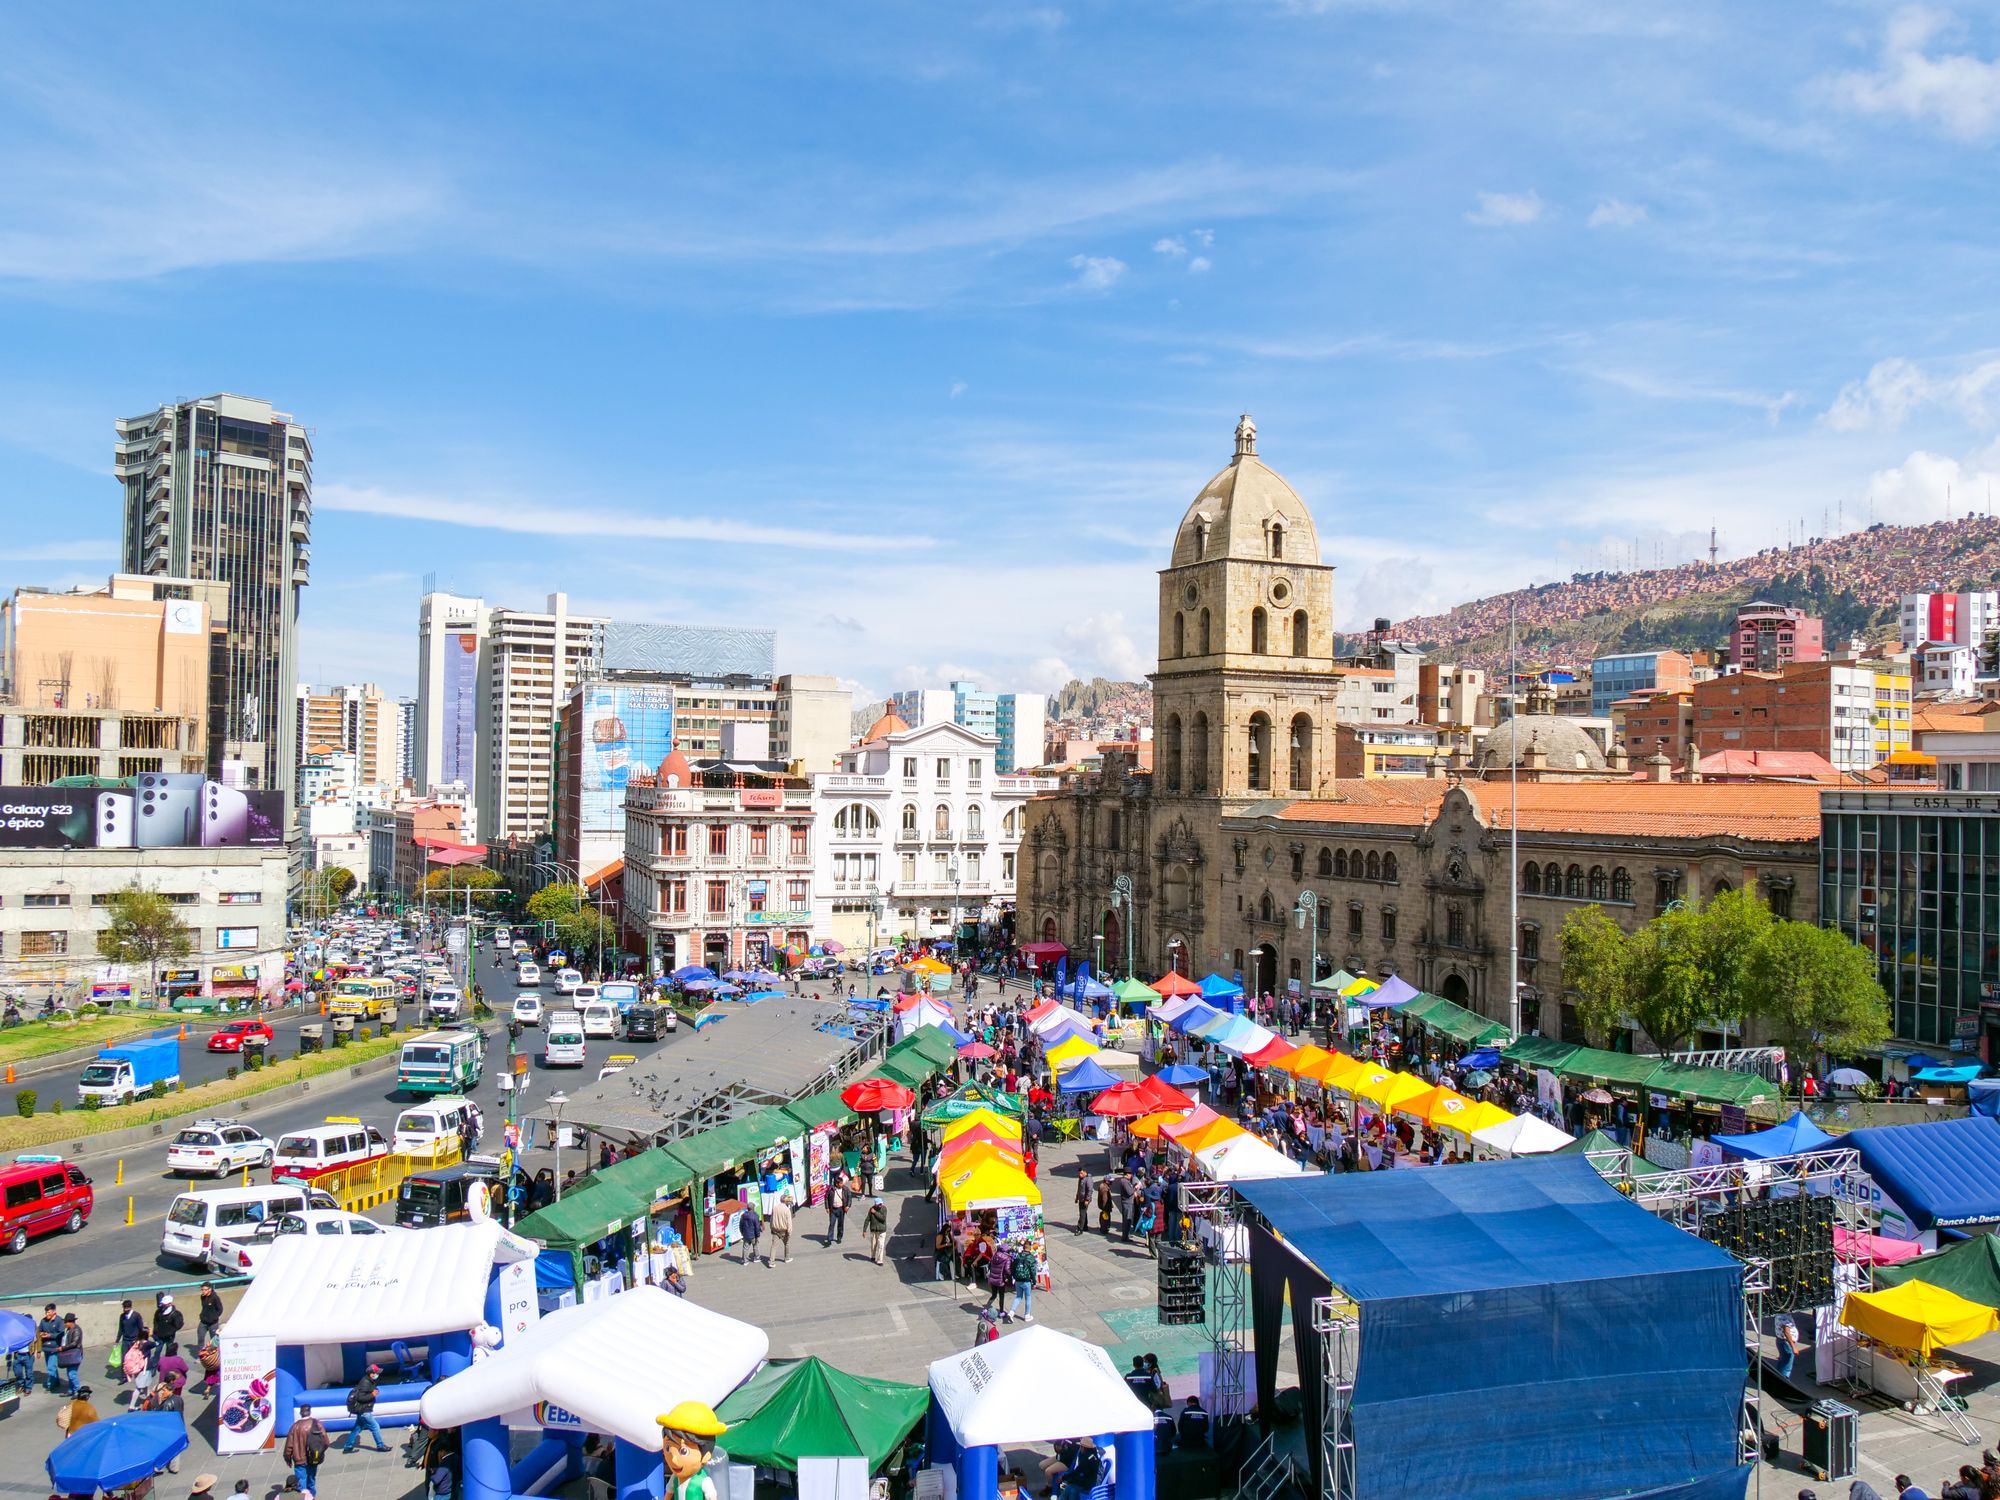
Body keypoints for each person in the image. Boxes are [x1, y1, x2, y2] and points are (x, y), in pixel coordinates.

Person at [341, 1363, 391, 1453]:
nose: (378, 1374)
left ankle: (348, 1446)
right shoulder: (365, 1382)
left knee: (357, 1428)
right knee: (375, 1427)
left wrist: (375, 1391)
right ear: (371, 1374)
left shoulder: (370, 1381)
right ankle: (380, 1445)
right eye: (376, 1373)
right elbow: (361, 1398)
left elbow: (371, 1389)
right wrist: (372, 1395)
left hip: (363, 1410)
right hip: (364, 1410)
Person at [284, 1402, 328, 1494]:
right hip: (313, 1457)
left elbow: (289, 1447)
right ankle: (311, 1497)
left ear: (300, 1413)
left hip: (299, 1460)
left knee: (301, 1484)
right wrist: (320, 1452)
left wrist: (287, 1459)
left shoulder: (295, 1427)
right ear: (309, 1412)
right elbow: (326, 1442)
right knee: (311, 1481)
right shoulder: (317, 1424)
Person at [1010, 1238, 1038, 1322]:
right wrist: (1034, 1281)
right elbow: (1033, 1271)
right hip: (1026, 1281)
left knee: (1018, 1297)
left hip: (1018, 1280)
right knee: (1028, 1298)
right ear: (1030, 1248)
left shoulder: (1018, 1255)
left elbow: (1013, 1267)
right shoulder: (1031, 1257)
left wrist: (1014, 1276)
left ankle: (1011, 1312)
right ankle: (1027, 1315)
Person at [56, 1311, 83, 1396]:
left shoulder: (77, 1330)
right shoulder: (68, 1330)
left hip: (74, 1354)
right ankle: (71, 1390)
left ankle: (78, 1391)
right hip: (69, 1354)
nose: (64, 1324)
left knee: (72, 1374)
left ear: (70, 1322)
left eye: (66, 1322)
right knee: (69, 1373)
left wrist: (63, 1348)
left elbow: (74, 1343)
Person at [116, 1299, 145, 1379]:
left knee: (134, 1358)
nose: (125, 1310)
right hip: (125, 1340)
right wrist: (117, 1340)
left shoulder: (136, 1316)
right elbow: (120, 1328)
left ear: (130, 1307)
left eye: (127, 1308)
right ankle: (124, 1376)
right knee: (124, 1358)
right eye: (124, 1308)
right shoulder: (122, 1316)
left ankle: (136, 1371)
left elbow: (141, 1328)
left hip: (134, 1340)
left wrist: (141, 1339)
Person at [35, 1304, 60, 1393]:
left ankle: (50, 1385)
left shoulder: (59, 1321)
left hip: (55, 1348)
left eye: (48, 1312)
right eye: (46, 1312)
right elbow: (38, 1332)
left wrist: (50, 1335)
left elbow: (61, 1334)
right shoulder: (43, 1321)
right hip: (46, 1348)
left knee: (51, 1368)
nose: (47, 1314)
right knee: (51, 1366)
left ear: (54, 1312)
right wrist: (41, 1334)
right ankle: (56, 1381)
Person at [1774, 1311, 1802, 1380]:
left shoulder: (1779, 1314)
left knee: (1782, 1362)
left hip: (1780, 1341)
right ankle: (1784, 1381)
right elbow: (1787, 1332)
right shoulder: (1784, 1317)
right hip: (1786, 1343)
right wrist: (1794, 1347)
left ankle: (1777, 1378)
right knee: (1787, 1366)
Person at [766, 1195, 792, 1265]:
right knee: (786, 1244)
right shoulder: (787, 1210)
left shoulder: (775, 1208)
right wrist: (789, 1232)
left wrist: (771, 1227)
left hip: (775, 1230)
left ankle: (771, 1262)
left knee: (774, 1246)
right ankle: (787, 1258)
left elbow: (771, 1219)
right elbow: (789, 1222)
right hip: (784, 1231)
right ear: (786, 1201)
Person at [196, 1284, 224, 1351]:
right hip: (203, 1322)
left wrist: (214, 1317)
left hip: (212, 1323)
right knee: (200, 1338)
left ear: (210, 1289)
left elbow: (220, 1309)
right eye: (202, 1290)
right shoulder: (202, 1297)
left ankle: (215, 1355)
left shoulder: (215, 1298)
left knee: (214, 1340)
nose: (203, 1291)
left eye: (205, 1290)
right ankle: (201, 1356)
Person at [826, 1175, 851, 1246]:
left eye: (842, 1183)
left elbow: (849, 1197)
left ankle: (839, 1237)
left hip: (841, 1209)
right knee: (831, 1224)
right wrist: (827, 1207)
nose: (842, 1184)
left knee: (840, 1224)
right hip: (833, 1209)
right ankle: (829, 1239)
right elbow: (826, 1198)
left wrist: (848, 1206)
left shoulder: (845, 1189)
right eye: (840, 1183)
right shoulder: (831, 1189)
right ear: (836, 1184)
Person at [863, 1196, 889, 1264]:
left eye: (881, 1203)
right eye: (879, 1204)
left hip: (881, 1230)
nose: (880, 1205)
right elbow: (867, 1219)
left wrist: (875, 1212)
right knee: (873, 1244)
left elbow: (883, 1219)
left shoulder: (884, 1209)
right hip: (874, 1230)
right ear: (875, 1204)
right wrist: (864, 1230)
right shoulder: (871, 1209)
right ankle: (873, 1256)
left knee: (881, 1245)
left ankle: (880, 1260)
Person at [1074, 1169, 1092, 1234]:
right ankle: (1084, 1226)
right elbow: (1079, 1189)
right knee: (1083, 1213)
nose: (1080, 1175)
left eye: (1081, 1173)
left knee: (1082, 1213)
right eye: (1079, 1173)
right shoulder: (1080, 1179)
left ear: (1085, 1172)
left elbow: (1090, 1190)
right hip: (1081, 1198)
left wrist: (1087, 1200)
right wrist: (1077, 1197)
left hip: (1085, 1199)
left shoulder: (1088, 1179)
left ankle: (1080, 1228)